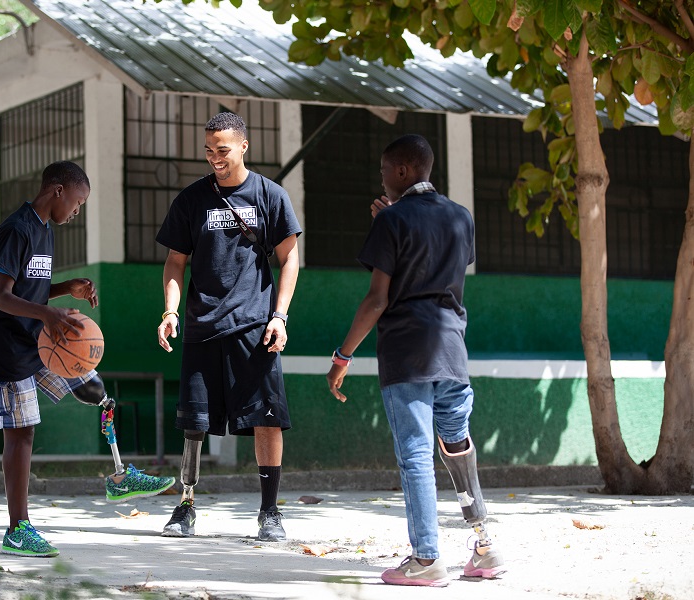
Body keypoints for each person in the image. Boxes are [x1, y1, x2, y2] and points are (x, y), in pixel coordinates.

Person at [326, 135, 506, 586]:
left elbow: (376, 299)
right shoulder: (461, 217)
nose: (382, 178)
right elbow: (432, 263)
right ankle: (485, 548)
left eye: (386, 171)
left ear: (403, 171)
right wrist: (392, 219)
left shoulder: (391, 220)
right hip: (451, 350)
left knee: (415, 454)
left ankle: (427, 559)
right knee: (457, 448)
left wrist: (342, 354)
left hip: (407, 351)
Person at [0, 160, 174, 558]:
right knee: (22, 431)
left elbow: (31, 287)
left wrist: (67, 289)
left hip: (33, 337)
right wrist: (49, 313)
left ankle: (119, 475)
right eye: (78, 203)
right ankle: (17, 529)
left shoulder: (45, 230)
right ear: (58, 191)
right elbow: (0, 296)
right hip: (1, 344)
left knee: (92, 385)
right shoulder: (18, 229)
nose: (77, 211)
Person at [155, 112, 301, 541]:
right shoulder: (191, 199)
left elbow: (289, 258)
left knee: (267, 419)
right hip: (202, 325)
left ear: (243, 146)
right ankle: (185, 506)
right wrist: (170, 312)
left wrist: (280, 315)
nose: (215, 158)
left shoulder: (270, 196)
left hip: (256, 326)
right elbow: (175, 262)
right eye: (208, 150)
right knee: (194, 422)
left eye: (222, 149)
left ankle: (270, 512)